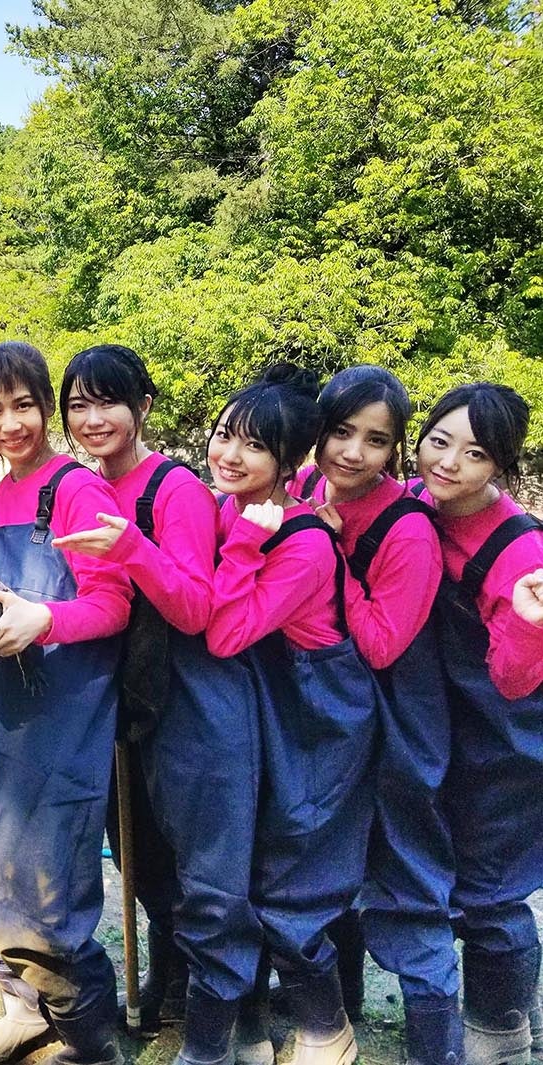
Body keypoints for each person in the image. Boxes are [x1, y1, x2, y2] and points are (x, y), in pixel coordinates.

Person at [0, 342, 133, 1065]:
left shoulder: (77, 490)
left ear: (46, 406)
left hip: (58, 718)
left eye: (23, 405)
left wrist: (43, 617)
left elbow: (113, 602)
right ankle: (21, 1007)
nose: (10, 424)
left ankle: (90, 1041)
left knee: (43, 895)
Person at [54, 345, 262, 1065]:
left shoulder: (175, 490)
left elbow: (196, 608)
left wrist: (131, 545)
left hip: (188, 698)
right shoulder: (77, 485)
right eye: (77, 404)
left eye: (108, 400)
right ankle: (170, 985)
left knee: (200, 872)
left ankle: (225, 1020)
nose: (91, 418)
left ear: (143, 405)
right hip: (114, 702)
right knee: (141, 863)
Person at [205, 364, 381, 1064]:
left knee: (294, 881)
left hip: (319, 714)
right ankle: (264, 1013)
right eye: (224, 435)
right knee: (255, 869)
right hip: (272, 703)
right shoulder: (235, 504)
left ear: (288, 464)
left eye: (252, 446)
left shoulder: (302, 543)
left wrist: (247, 543)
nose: (228, 454)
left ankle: (327, 1025)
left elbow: (224, 631)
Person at [289, 367, 459, 1062]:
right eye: (340, 431)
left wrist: (331, 554)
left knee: (408, 883)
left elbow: (386, 642)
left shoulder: (408, 527)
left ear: (396, 450)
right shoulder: (304, 485)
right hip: (327, 711)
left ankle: (435, 1044)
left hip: (397, 720)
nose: (353, 452)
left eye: (376, 440)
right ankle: (341, 1007)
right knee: (326, 863)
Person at [413, 383, 543, 1062]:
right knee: (435, 877)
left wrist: (526, 620)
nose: (449, 463)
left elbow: (517, 678)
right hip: (436, 727)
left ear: (500, 466)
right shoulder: (413, 504)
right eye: (439, 440)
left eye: (474, 453)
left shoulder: (521, 551)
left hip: (505, 737)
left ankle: (501, 1030)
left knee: (491, 893)